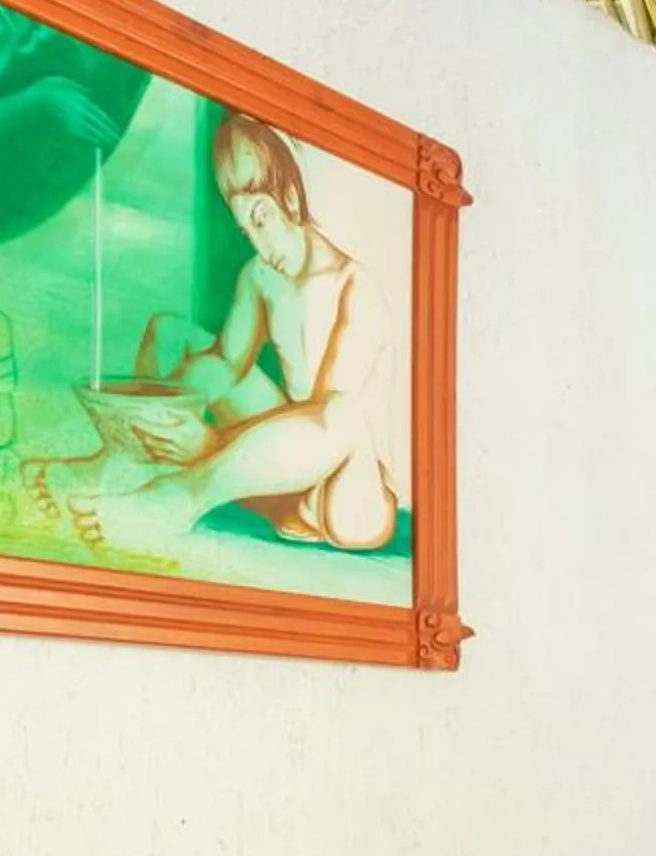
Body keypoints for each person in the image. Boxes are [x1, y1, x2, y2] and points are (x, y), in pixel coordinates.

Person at [39, 114, 403, 559]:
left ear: (289, 198)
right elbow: (226, 367)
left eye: (262, 219)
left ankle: (178, 498)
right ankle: (126, 460)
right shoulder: (260, 275)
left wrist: (209, 444)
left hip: (347, 498)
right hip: (285, 476)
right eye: (245, 230)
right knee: (178, 336)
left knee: (342, 412)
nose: (259, 245)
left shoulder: (354, 285)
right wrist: (174, 423)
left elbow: (324, 418)